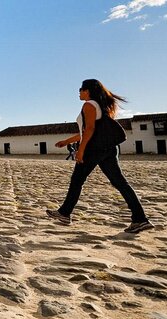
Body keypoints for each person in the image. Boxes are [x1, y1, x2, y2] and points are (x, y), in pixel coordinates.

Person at [47, 79, 153, 233]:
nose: (79, 92)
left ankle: (64, 213)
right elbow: (88, 131)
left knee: (77, 180)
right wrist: (67, 141)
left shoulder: (89, 105)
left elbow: (89, 130)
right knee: (120, 183)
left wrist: (81, 150)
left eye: (81, 89)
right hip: (108, 148)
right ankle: (140, 219)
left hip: (94, 149)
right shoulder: (100, 107)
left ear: (88, 90)